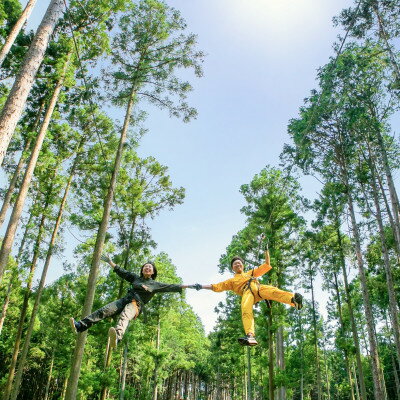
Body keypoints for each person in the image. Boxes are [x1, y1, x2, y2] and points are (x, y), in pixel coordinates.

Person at [69, 255, 198, 347]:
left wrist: (191, 286)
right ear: (142, 270)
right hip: (125, 299)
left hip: (135, 305)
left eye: (150, 267)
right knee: (105, 310)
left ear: (153, 272)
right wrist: (110, 262)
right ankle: (80, 325)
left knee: (125, 314)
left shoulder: (155, 284)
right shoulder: (135, 278)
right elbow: (122, 272)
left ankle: (118, 337)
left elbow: (173, 286)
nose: (147, 268)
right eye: (145, 267)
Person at [196, 250, 303, 346]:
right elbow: (216, 286)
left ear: (242, 265)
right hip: (248, 293)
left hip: (258, 288)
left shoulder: (250, 273)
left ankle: (293, 300)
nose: (237, 264)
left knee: (274, 291)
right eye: (235, 264)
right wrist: (201, 286)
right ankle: (250, 334)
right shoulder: (231, 281)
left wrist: (266, 252)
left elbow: (266, 265)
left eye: (239, 263)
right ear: (232, 268)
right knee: (246, 310)